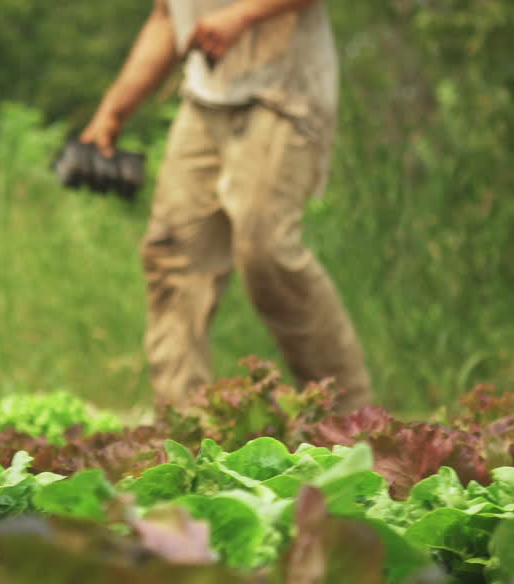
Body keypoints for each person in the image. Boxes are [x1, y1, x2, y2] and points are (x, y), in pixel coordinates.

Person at [80, 0, 373, 413]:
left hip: (285, 94)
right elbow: (168, 18)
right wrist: (114, 112)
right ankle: (183, 430)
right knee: (174, 256)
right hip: (205, 100)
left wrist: (242, 15)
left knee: (266, 250)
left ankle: (351, 417)